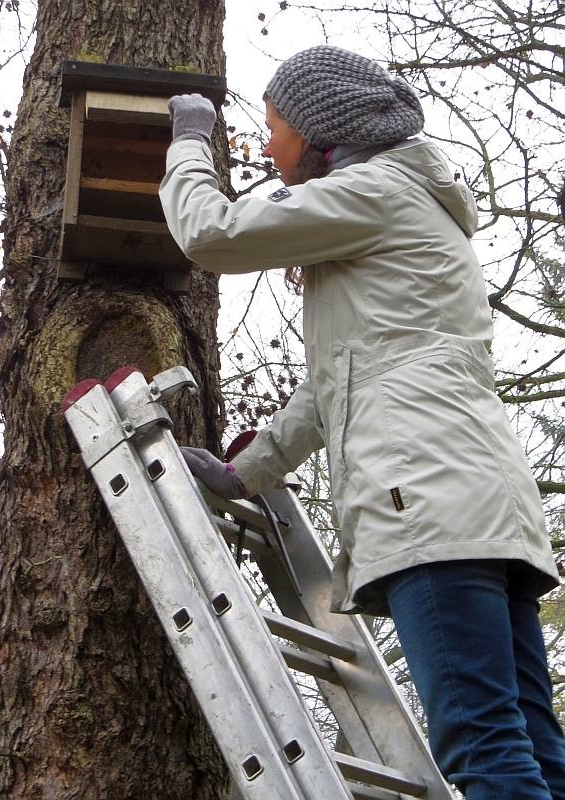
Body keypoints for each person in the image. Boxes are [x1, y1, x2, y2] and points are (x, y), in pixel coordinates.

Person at [160, 46, 565, 800]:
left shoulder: (373, 192)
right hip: (481, 506)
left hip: (428, 506)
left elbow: (211, 236)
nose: (268, 145)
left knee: (484, 748)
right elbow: (335, 386)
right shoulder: (406, 207)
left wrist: (188, 142)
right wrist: (248, 471)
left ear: (319, 132)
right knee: (532, 748)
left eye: (275, 126)